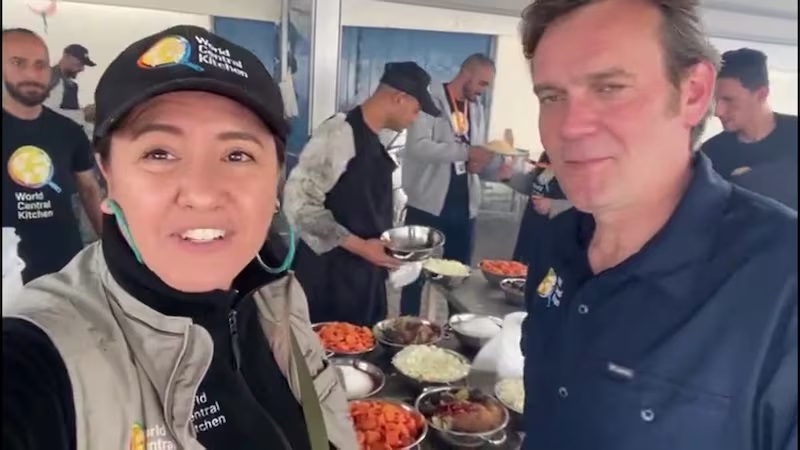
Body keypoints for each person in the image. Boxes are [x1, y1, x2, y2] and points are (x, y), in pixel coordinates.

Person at [2, 25, 356, 450]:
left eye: (237, 154)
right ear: (108, 173)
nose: (202, 192)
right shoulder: (41, 356)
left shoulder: (278, 293)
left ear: (276, 178)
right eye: (159, 153)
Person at [519, 1, 797, 450]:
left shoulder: (784, 281)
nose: (569, 127)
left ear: (693, 93)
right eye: (552, 97)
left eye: (609, 87)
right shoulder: (557, 243)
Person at [284, 61, 439, 327]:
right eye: (416, 110)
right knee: (327, 347)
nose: (415, 119)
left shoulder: (372, 140)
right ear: (399, 98)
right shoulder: (338, 134)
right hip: (328, 281)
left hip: (361, 277)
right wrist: (362, 247)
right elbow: (298, 205)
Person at [399, 53, 505, 316]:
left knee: (460, 277)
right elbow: (417, 147)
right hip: (427, 204)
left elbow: (473, 150)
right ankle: (407, 328)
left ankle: (458, 329)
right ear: (466, 74)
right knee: (414, 276)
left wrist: (480, 164)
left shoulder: (476, 108)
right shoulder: (429, 101)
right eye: (481, 83)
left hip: (464, 205)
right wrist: (466, 152)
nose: (483, 91)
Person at [2, 28, 103, 284]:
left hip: (65, 271)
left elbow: (89, 189)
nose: (32, 74)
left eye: (40, 65)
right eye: (18, 63)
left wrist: (112, 249)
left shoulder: (69, 132)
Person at [702, 48, 798, 210]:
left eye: (729, 100)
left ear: (761, 94)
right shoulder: (710, 154)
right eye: (715, 100)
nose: (718, 111)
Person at [509, 152, 570, 265]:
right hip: (531, 228)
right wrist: (509, 177)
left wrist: (554, 205)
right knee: (521, 268)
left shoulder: (584, 166)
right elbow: (530, 184)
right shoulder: (549, 155)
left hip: (558, 236)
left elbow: (591, 204)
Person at [45, 43, 96, 126]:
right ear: (66, 56)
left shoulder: (71, 86)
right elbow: (46, 112)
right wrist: (80, 116)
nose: (82, 69)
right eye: (80, 63)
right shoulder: (49, 78)